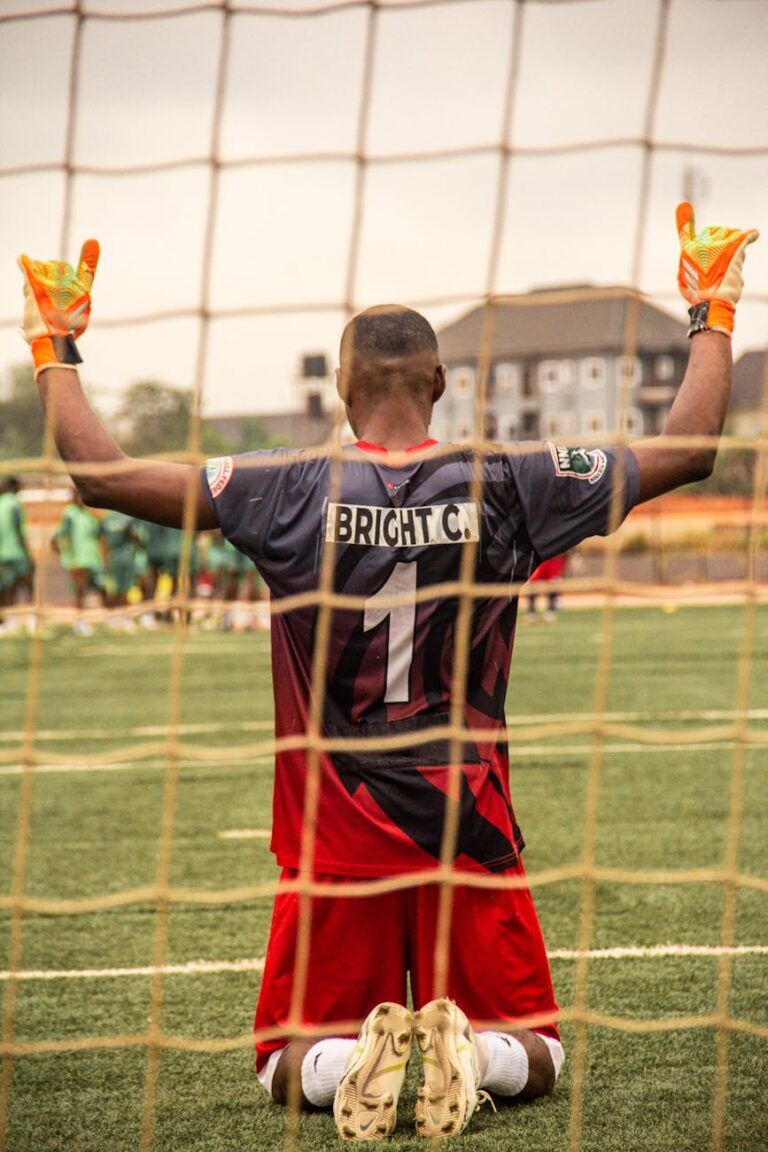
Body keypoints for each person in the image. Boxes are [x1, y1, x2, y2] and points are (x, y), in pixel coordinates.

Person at [17, 203, 758, 1141]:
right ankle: (474, 1057)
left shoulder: (279, 487)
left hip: (335, 840)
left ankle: (343, 1066)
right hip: (469, 825)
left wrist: (56, 344)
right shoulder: (512, 480)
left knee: (285, 1061)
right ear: (442, 383)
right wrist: (711, 314)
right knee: (538, 1051)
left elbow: (101, 476)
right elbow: (690, 449)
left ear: (340, 387)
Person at [51, 488, 104, 634]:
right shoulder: (70, 514)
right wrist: (67, 557)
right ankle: (79, 622)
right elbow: (59, 538)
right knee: (80, 590)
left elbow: (98, 531)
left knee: (92, 589)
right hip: (78, 560)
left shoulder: (86, 515)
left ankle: (98, 618)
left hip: (91, 559)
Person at [0, 475, 34, 631]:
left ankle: (8, 621)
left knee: (8, 588)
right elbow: (19, 530)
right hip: (17, 552)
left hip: (2, 554)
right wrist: (29, 553)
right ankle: (32, 619)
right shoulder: (14, 503)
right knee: (28, 584)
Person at [525, 552, 569, 621]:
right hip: (541, 559)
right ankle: (531, 613)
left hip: (552, 558)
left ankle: (550, 612)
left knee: (553, 584)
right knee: (532, 586)